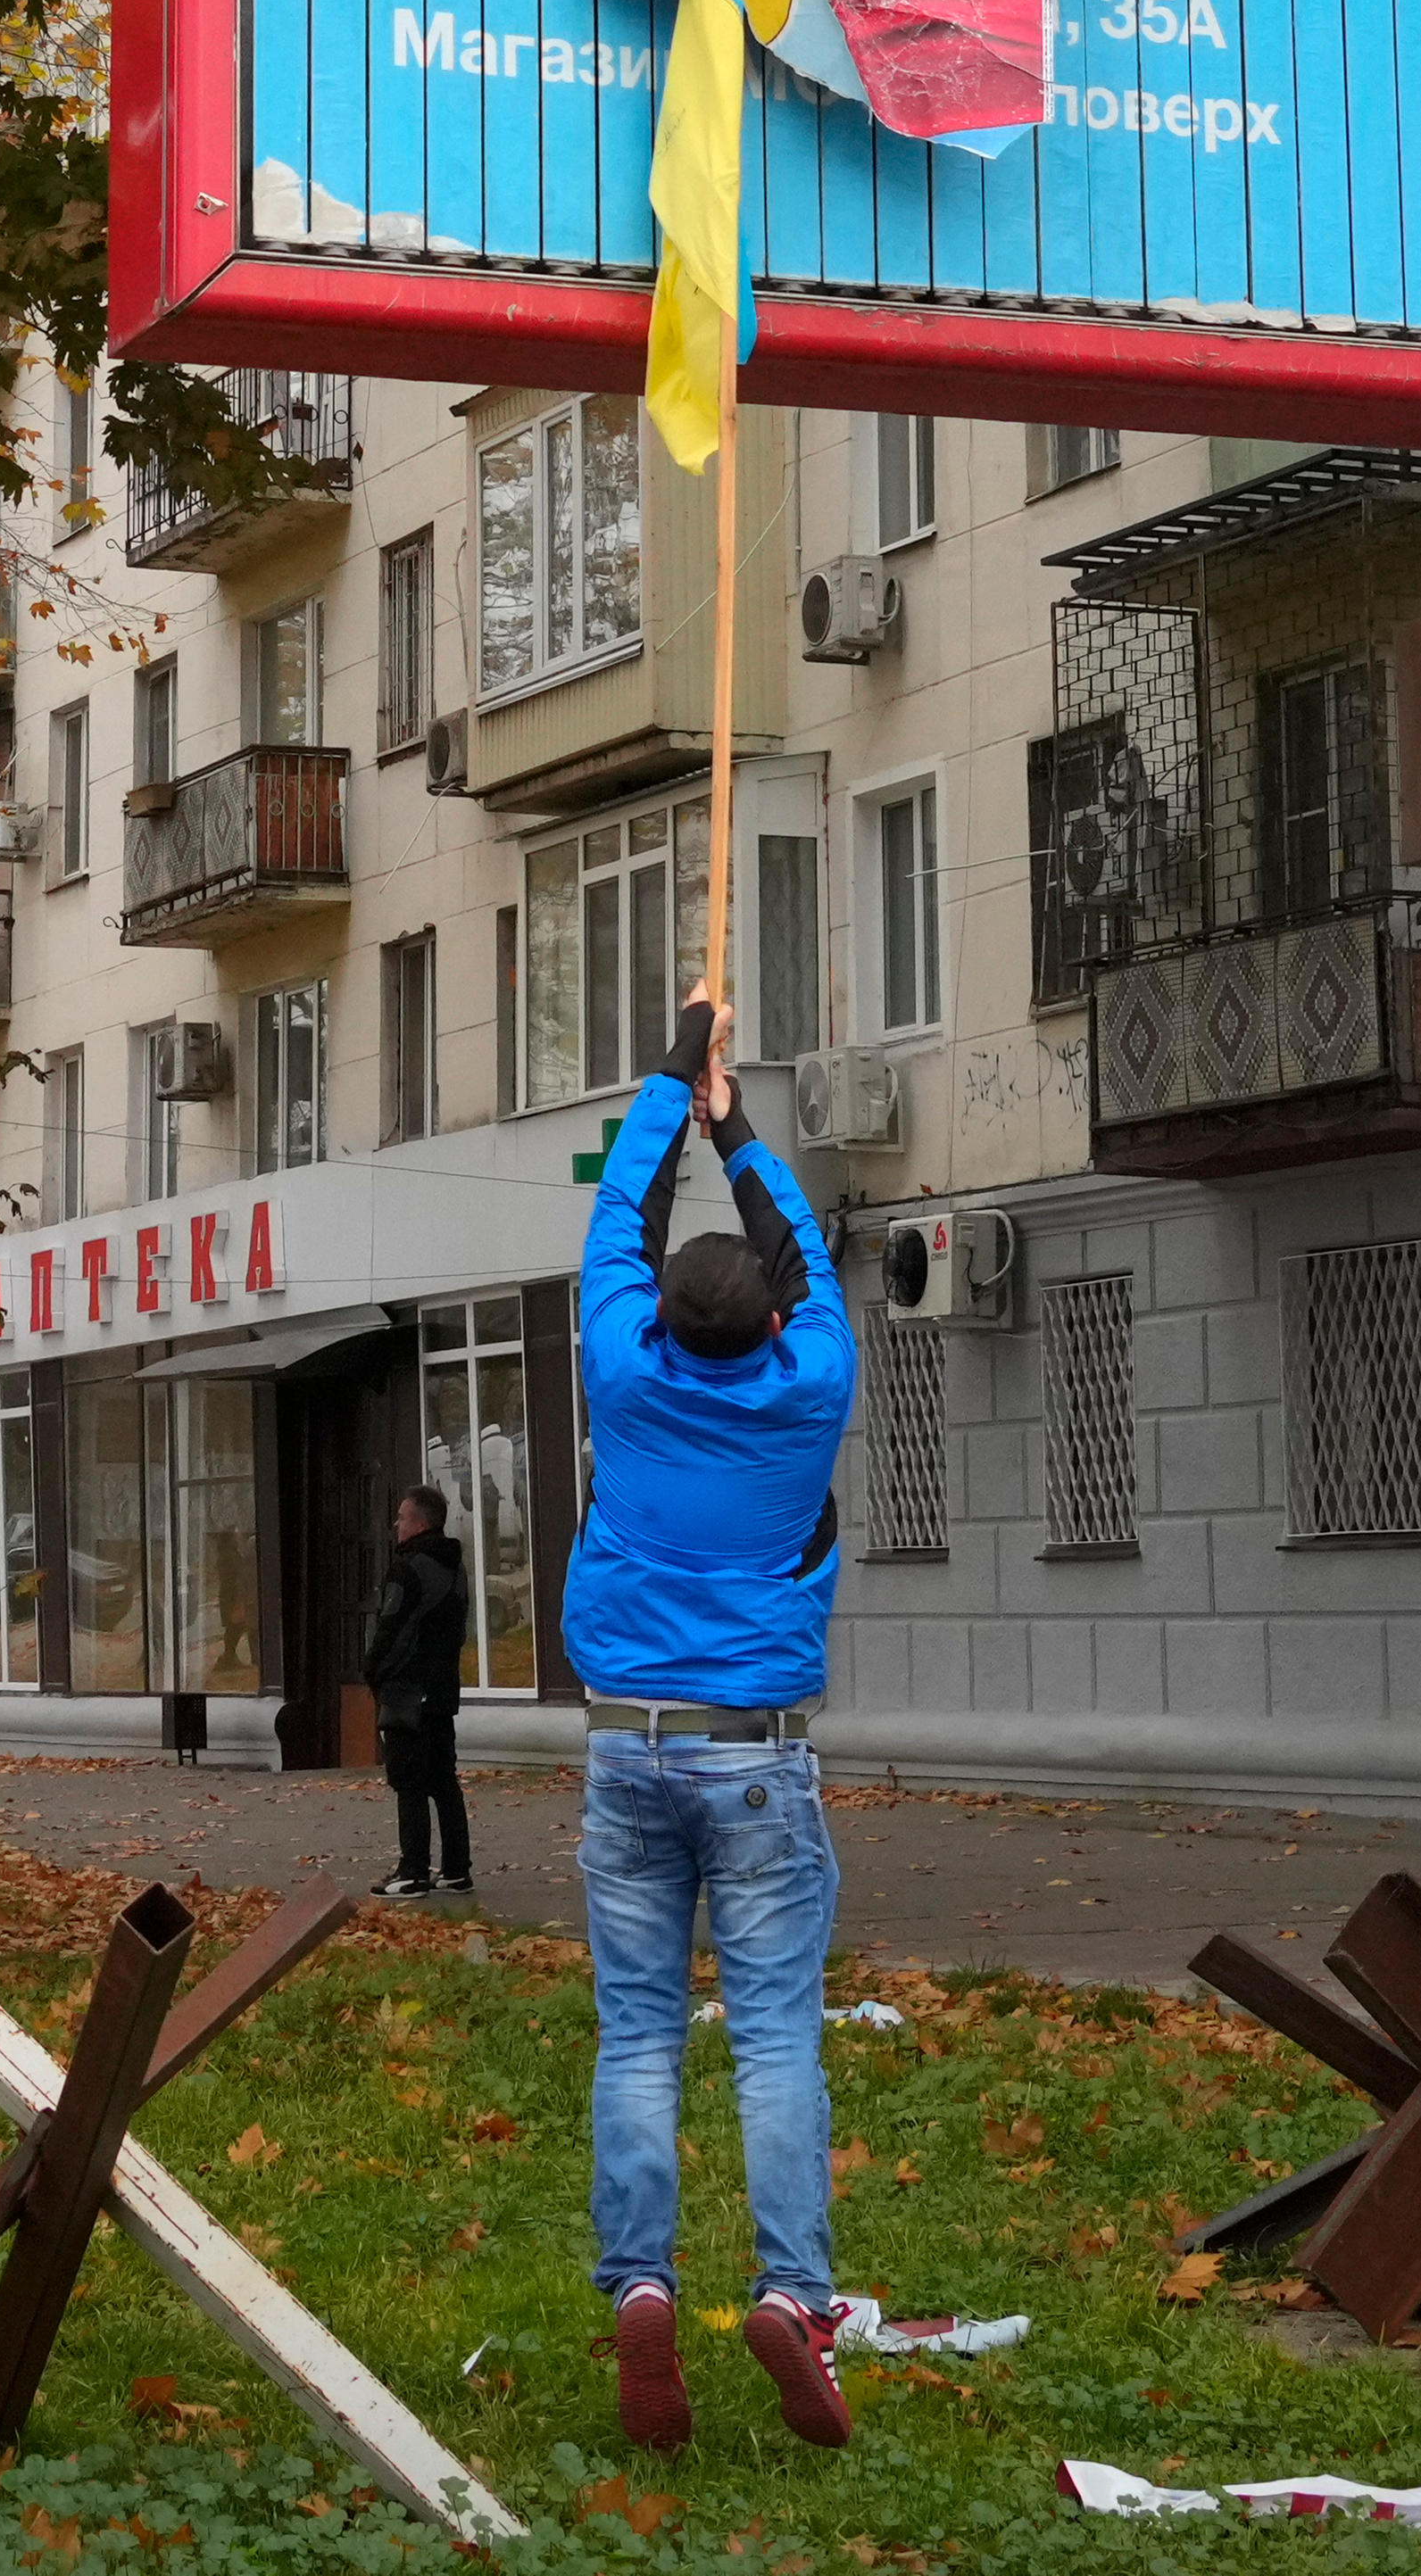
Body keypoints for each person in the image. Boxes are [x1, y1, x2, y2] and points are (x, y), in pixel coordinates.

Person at [564, 983, 860, 2456]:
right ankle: (794, 2296)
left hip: (627, 1741)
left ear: (668, 1315)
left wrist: (666, 1092)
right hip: (755, 1753)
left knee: (636, 2032)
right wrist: (743, 1130)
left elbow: (614, 1222)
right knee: (775, 2037)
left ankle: (639, 2288)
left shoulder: (621, 1365)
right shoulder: (812, 1383)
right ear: (769, 1324)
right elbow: (804, 1255)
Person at [361, 1485, 473, 1899]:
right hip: (442, 1688)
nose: (396, 1523)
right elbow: (456, 1630)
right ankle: (457, 1870)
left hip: (407, 1690)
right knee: (443, 1779)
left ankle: (413, 1871)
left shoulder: (408, 1567)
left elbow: (393, 1628)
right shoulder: (456, 1567)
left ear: (421, 1523)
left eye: (403, 1517)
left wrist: (373, 1671)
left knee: (407, 1781)